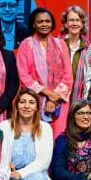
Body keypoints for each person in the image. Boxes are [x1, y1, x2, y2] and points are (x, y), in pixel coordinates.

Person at [16, 7, 73, 138]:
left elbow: (68, 75)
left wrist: (53, 99)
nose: (44, 24)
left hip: (59, 101)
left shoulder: (61, 44)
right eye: (40, 21)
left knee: (58, 138)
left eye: (47, 21)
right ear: (33, 24)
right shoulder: (26, 45)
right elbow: (24, 76)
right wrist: (47, 93)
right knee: (35, 137)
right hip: (34, 101)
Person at [61, 6, 89, 104]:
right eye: (71, 20)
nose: (74, 23)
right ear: (65, 24)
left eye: (77, 20)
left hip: (79, 96)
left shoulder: (88, 47)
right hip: (58, 96)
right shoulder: (57, 44)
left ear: (82, 24)